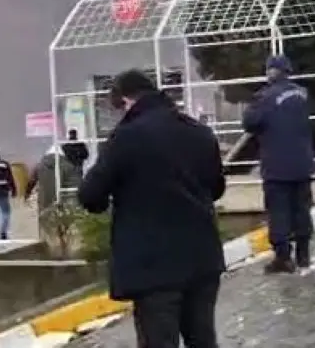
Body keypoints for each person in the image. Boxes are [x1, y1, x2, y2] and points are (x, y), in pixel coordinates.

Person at [78, 69, 226, 348]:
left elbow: (90, 196)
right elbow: (216, 188)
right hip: (201, 257)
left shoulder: (126, 138)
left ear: (125, 100)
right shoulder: (200, 133)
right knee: (204, 339)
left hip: (153, 266)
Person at [242, 55, 315, 274]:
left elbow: (249, 123)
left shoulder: (265, 97)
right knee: (302, 210)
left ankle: (283, 258)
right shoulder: (302, 94)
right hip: (303, 163)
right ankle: (304, 256)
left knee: (279, 212)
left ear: (271, 72)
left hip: (277, 166)